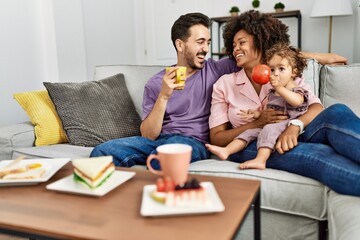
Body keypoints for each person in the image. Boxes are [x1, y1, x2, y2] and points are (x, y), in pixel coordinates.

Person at [90, 12, 349, 171]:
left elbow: (262, 54)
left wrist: (318, 56)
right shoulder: (156, 83)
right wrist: (164, 96)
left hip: (191, 143)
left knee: (174, 152)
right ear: (181, 45)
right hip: (159, 141)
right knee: (103, 151)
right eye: (200, 42)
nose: (206, 48)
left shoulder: (215, 70)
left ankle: (159, 176)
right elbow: (148, 133)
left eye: (209, 42)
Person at [208, 10, 360, 196]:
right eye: (233, 45)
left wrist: (294, 127)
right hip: (256, 144)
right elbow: (216, 137)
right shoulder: (225, 83)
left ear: (261, 41)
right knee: (317, 154)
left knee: (337, 111)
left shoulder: (282, 72)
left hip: (298, 131)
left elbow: (316, 107)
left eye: (242, 43)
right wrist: (256, 123)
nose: (235, 49)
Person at [206, 42, 311, 170]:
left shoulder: (294, 88)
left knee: (268, 131)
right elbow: (269, 111)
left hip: (286, 125)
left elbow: (298, 102)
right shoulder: (272, 90)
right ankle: (226, 151)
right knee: (248, 133)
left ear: (294, 72)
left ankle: (260, 160)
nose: (275, 73)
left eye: (281, 69)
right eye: (272, 69)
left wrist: (279, 88)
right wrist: (255, 115)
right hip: (269, 127)